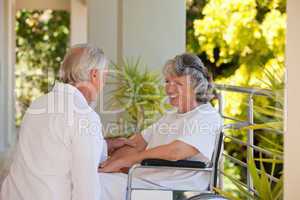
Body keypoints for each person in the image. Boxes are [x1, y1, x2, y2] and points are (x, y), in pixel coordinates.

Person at [0, 44, 134, 200]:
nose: (103, 85)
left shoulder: (39, 104)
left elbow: (57, 147)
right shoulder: (83, 115)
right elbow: (87, 189)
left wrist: (106, 145)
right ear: (94, 75)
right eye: (104, 77)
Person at [98, 53, 223, 200]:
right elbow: (136, 143)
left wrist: (126, 161)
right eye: (167, 82)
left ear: (196, 87)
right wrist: (108, 164)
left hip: (167, 188)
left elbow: (176, 151)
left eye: (178, 84)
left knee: (90, 184)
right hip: (145, 181)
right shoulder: (171, 116)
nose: (169, 89)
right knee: (89, 178)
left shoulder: (207, 116)